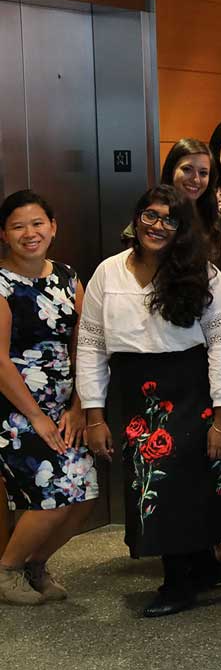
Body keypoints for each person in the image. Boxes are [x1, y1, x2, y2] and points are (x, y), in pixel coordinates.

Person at [78, 185, 221, 618]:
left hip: (195, 388)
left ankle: (179, 581)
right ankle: (198, 566)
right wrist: (93, 414)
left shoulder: (205, 275)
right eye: (150, 216)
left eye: (169, 219)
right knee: (154, 484)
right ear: (136, 218)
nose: (157, 226)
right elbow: (90, 344)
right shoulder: (108, 272)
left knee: (181, 483)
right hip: (138, 394)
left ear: (182, 229)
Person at [0, 191, 98, 605]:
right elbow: (0, 362)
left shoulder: (68, 277)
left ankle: (34, 565)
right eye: (18, 226)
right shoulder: (2, 283)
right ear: (4, 235)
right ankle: (6, 572)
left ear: (53, 227)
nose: (30, 233)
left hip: (65, 405)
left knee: (86, 495)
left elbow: (87, 343)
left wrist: (79, 406)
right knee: (55, 496)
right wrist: (37, 417)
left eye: (38, 223)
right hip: (16, 408)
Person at [124, 139, 221, 335]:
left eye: (203, 173)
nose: (195, 179)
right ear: (172, 171)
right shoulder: (148, 223)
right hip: (154, 328)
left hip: (212, 331)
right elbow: (132, 282)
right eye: (187, 169)